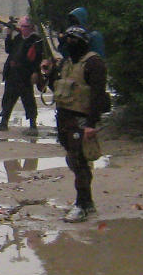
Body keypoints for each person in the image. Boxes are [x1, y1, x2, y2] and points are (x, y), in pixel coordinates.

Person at [40, 25, 108, 223]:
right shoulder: (66, 64)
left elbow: (97, 95)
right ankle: (87, 202)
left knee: (79, 161)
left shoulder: (94, 63)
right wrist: (49, 72)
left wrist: (90, 124)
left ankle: (82, 204)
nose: (69, 45)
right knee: (73, 160)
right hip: (64, 119)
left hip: (81, 119)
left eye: (73, 41)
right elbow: (56, 88)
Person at [0, 15, 42, 135]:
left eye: (26, 27)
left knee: (28, 99)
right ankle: (3, 122)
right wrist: (8, 35)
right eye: (22, 26)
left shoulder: (36, 40)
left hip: (25, 75)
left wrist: (35, 72)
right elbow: (9, 49)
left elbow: (38, 58)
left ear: (31, 28)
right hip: (12, 74)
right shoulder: (19, 38)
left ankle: (33, 125)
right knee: (8, 98)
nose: (24, 29)